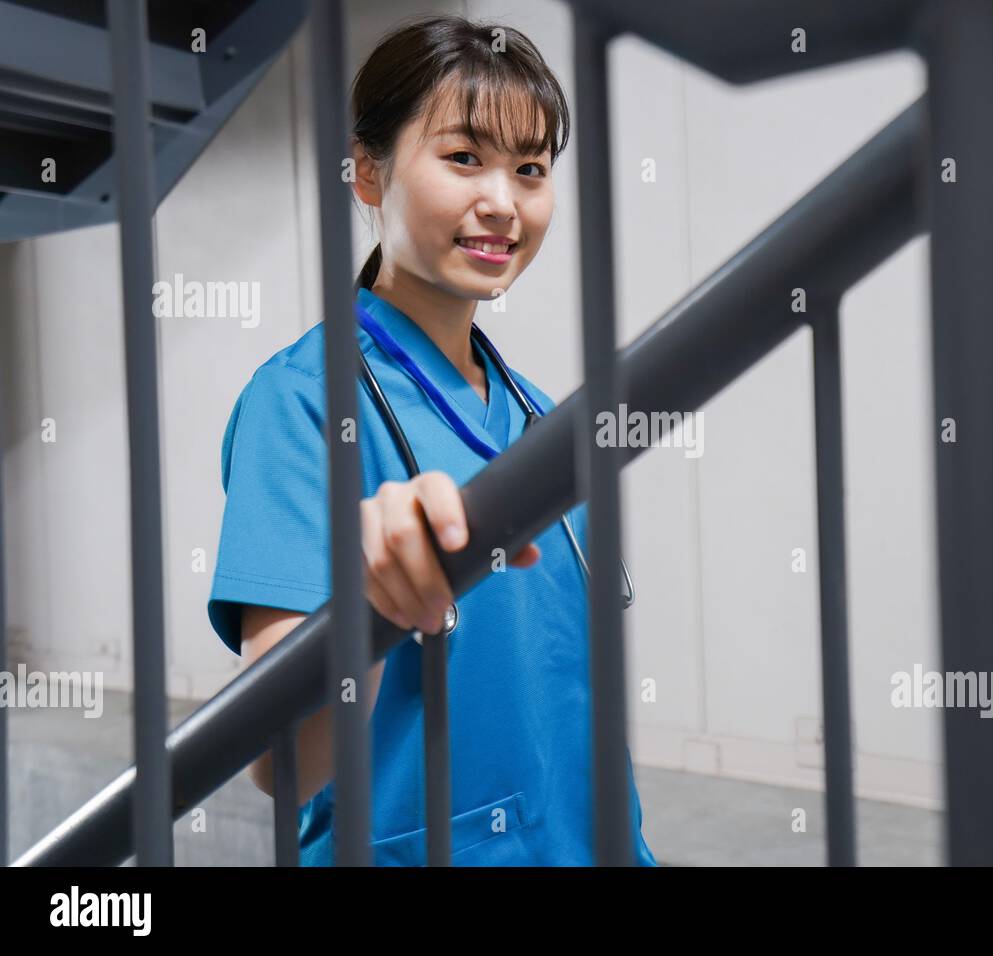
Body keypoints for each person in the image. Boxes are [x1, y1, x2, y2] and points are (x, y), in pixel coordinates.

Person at [207, 14, 656, 866]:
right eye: (463, 158)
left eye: (530, 169)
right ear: (368, 173)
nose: (503, 201)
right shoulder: (303, 405)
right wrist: (368, 610)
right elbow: (281, 765)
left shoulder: (536, 416)